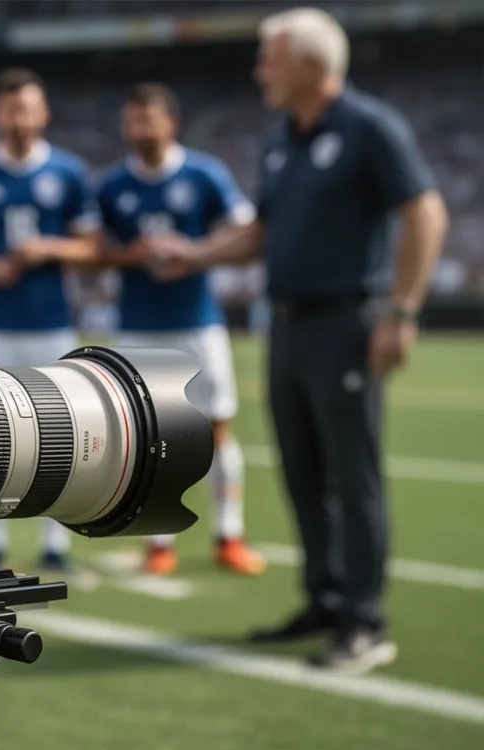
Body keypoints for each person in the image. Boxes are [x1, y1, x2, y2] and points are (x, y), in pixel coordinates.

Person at [143, 7, 448, 673]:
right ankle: (325, 598)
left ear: (310, 65)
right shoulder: (284, 138)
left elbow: (424, 211)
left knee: (352, 473)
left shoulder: (369, 127)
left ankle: (364, 621)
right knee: (304, 472)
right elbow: (259, 233)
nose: (258, 74)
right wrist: (193, 254)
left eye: (268, 60)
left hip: (347, 322)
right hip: (287, 325)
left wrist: (400, 312)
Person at [93, 82, 267, 577]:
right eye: (131, 120)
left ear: (171, 122)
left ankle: (228, 536)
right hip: (137, 328)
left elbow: (242, 227)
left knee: (216, 430)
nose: (139, 129)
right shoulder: (110, 186)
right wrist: (138, 255)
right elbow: (93, 250)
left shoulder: (205, 174)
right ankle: (158, 543)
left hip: (197, 324)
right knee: (150, 438)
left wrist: (193, 252)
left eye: (148, 118)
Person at [0, 68, 99, 572]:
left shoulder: (69, 172)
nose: (20, 119)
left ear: (44, 112)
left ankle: (57, 543)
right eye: (11, 109)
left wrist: (48, 247)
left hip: (50, 319)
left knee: (62, 432)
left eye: (29, 108)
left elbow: (92, 247)